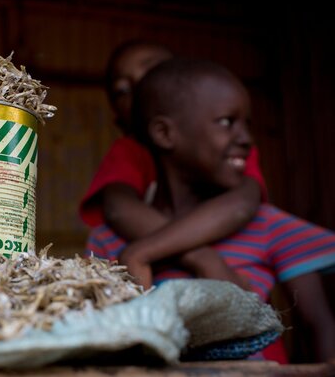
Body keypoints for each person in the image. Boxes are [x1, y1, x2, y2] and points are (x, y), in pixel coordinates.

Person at [124, 58, 335, 362]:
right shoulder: (111, 238)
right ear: (164, 134)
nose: (246, 139)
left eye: (247, 124)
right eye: (227, 122)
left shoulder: (268, 224)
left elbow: (321, 329)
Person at [81, 41, 267, 290]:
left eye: (153, 71)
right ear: (116, 116)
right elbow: (118, 208)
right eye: (122, 90)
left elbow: (243, 202)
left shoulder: (231, 144)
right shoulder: (129, 150)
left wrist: (146, 251)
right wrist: (199, 257)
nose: (140, 88)